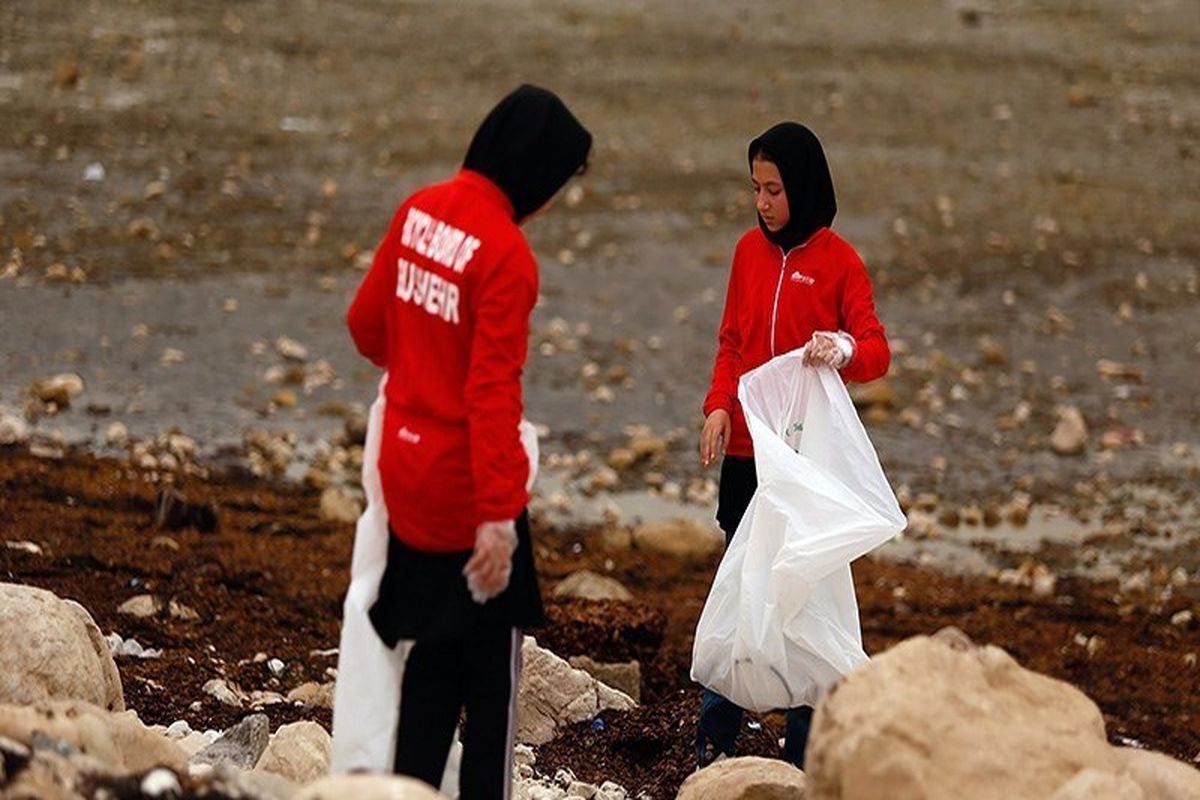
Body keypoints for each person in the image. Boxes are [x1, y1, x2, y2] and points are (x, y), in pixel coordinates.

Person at [346, 84, 591, 797]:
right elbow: (491, 396)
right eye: (557, 183)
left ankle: (410, 788)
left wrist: (425, 356)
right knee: (492, 685)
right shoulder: (507, 254)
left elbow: (366, 329)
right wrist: (496, 521)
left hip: (405, 473)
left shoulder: (418, 208)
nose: (552, 201)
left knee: (431, 654)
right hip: (465, 490)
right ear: (534, 171)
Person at [696, 122, 890, 769]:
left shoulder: (840, 261)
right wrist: (718, 407)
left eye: (774, 189)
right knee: (742, 583)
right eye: (755, 188)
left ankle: (804, 751)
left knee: (803, 593)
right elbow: (730, 342)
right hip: (749, 454)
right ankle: (715, 739)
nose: (763, 203)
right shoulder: (747, 254)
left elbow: (876, 351)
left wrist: (843, 348)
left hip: (807, 465)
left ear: (802, 187)